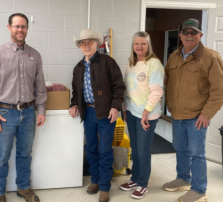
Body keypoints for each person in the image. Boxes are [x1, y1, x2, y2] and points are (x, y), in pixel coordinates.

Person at [0, 13, 47, 202]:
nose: (20, 30)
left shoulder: (35, 55)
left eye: (23, 26)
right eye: (16, 26)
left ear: (27, 29)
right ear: (9, 27)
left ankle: (24, 188)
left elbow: (40, 86)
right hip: (4, 113)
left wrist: (40, 110)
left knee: (25, 153)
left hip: (28, 112)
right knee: (2, 155)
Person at [163, 18, 223, 202]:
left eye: (193, 33)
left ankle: (199, 190)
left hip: (197, 116)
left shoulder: (210, 57)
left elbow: (219, 89)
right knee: (180, 148)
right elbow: (167, 83)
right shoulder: (174, 56)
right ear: (180, 35)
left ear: (200, 35)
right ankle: (183, 179)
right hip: (177, 114)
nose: (189, 36)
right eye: (186, 33)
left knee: (197, 154)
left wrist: (207, 114)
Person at [69, 29, 125, 202]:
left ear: (97, 44)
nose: (86, 46)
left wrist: (115, 107)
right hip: (88, 112)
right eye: (83, 43)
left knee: (105, 150)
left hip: (106, 113)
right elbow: (76, 91)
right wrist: (74, 104)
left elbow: (119, 87)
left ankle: (105, 186)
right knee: (91, 148)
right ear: (79, 46)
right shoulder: (78, 68)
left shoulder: (108, 62)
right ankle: (95, 180)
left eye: (90, 42)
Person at [119, 31, 164, 199]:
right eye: (136, 43)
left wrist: (146, 112)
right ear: (133, 46)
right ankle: (135, 178)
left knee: (143, 151)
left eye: (143, 43)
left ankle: (143, 183)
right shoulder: (131, 63)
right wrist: (124, 108)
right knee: (135, 149)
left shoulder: (154, 63)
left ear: (148, 46)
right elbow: (128, 89)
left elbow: (157, 90)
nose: (139, 46)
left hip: (147, 115)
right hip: (131, 112)